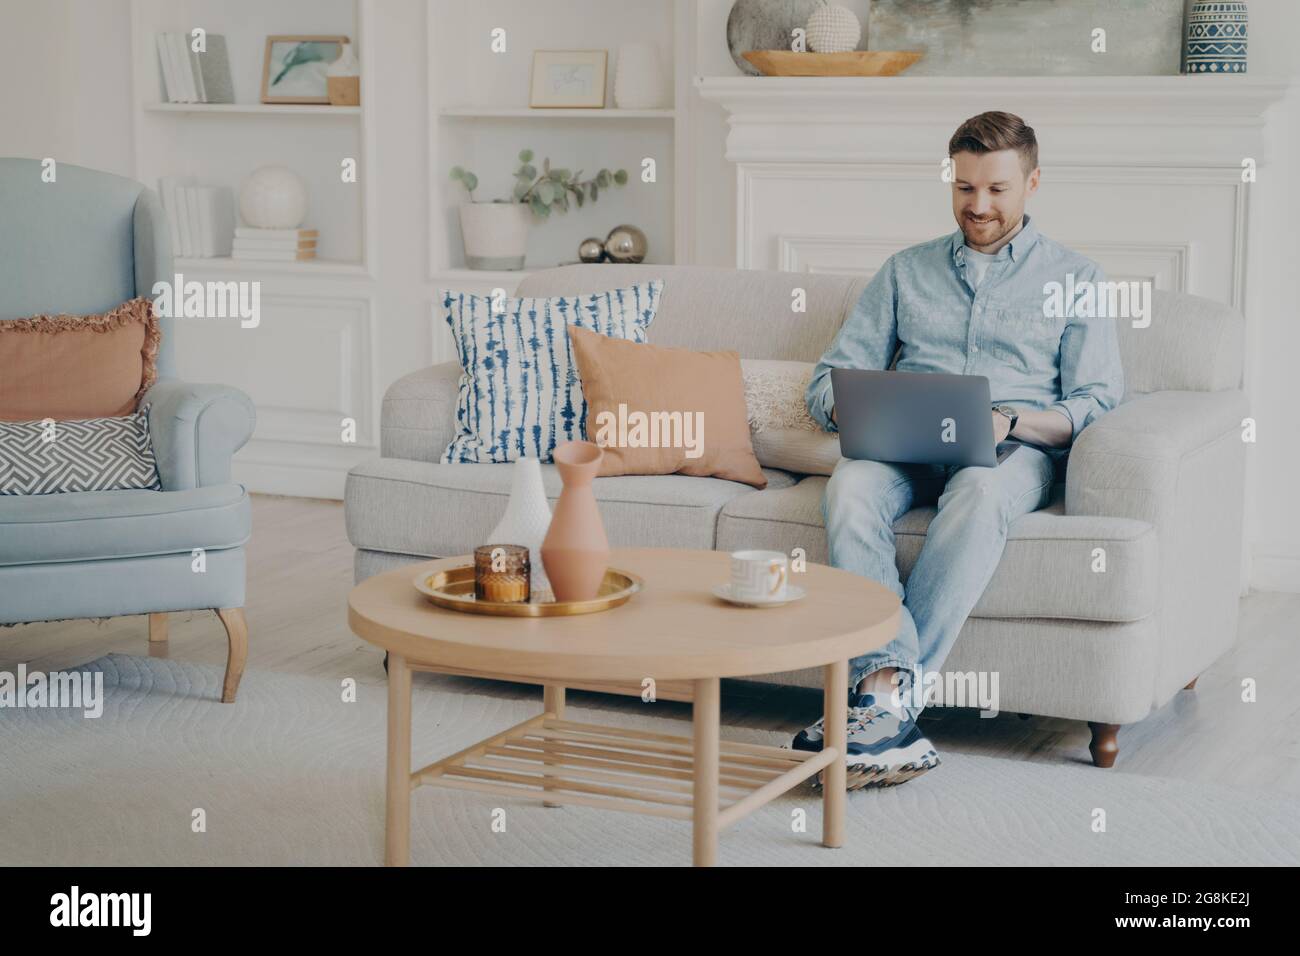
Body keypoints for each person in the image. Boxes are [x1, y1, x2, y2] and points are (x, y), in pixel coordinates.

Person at [795, 111, 1125, 789]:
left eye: (997, 189)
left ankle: (879, 703)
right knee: (850, 487)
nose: (978, 205)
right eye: (965, 186)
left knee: (978, 492)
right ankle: (887, 704)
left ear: (1032, 182)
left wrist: (1012, 422)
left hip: (1011, 452)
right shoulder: (903, 272)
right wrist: (856, 405)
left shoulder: (1078, 277)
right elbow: (825, 381)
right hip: (903, 444)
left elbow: (1095, 401)